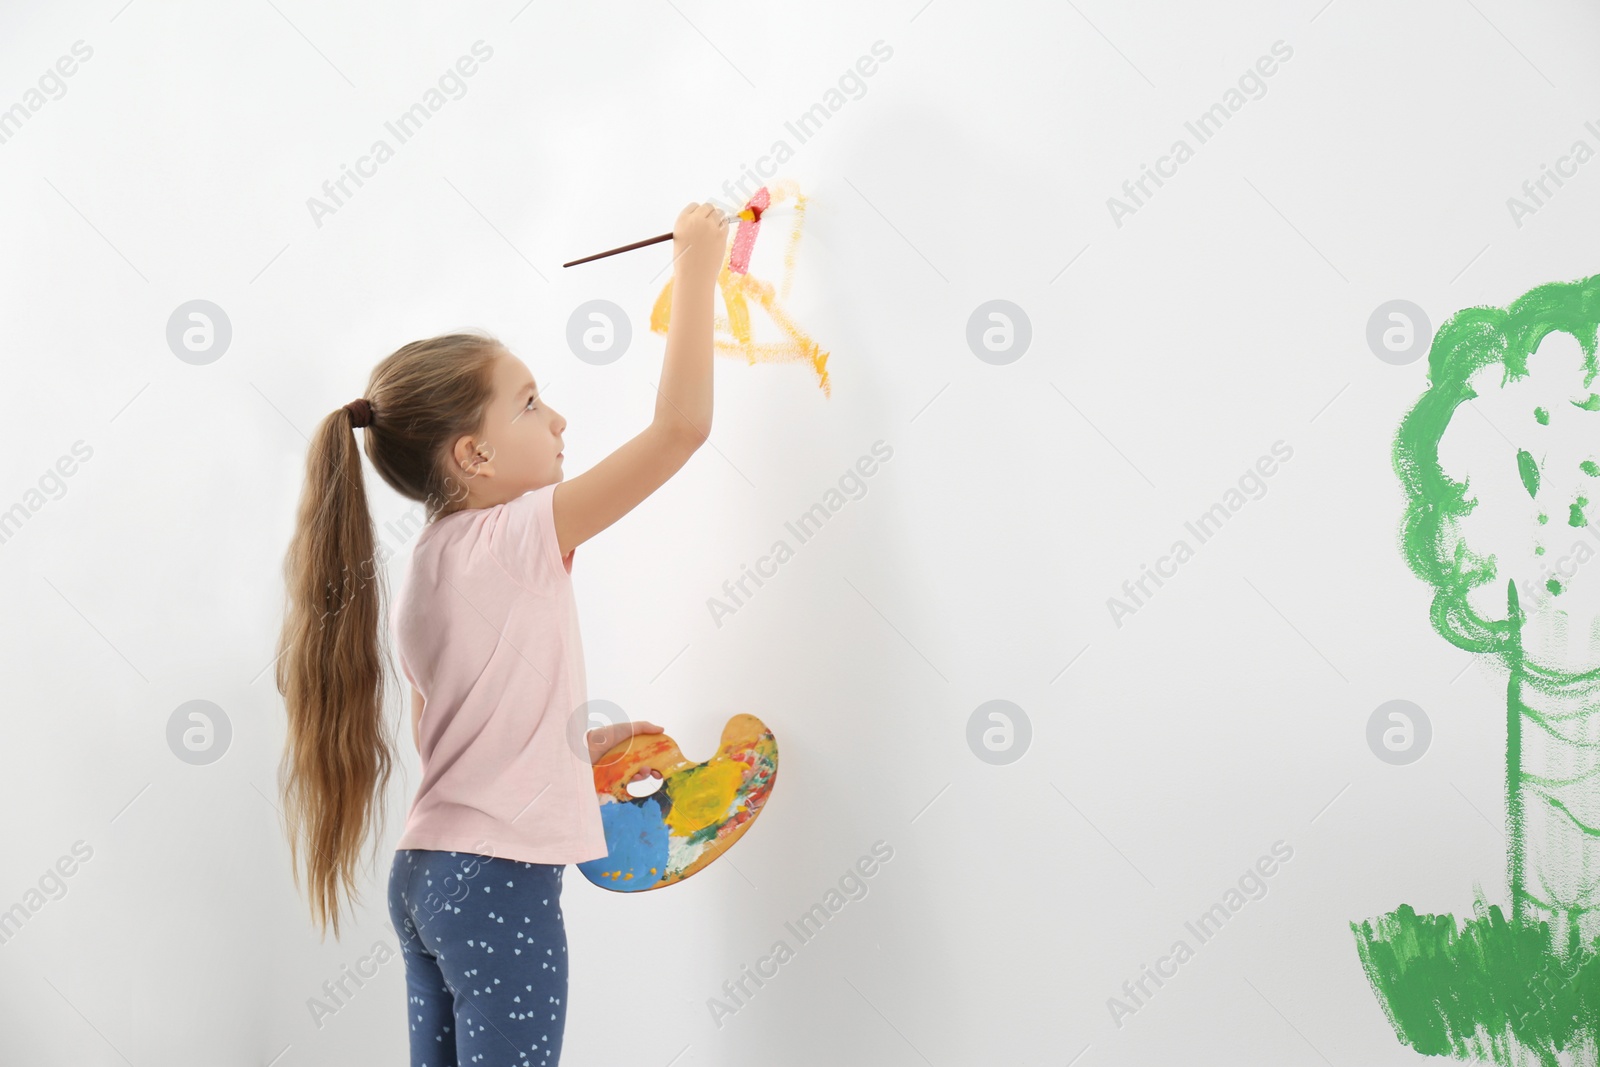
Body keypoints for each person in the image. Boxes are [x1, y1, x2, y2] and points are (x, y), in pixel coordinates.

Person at [274, 202, 730, 1065]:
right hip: (497, 883)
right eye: (528, 403)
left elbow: (457, 738)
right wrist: (697, 270)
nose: (556, 418)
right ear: (473, 456)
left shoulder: (427, 570)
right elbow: (681, 432)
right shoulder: (521, 533)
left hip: (426, 876)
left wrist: (567, 748)